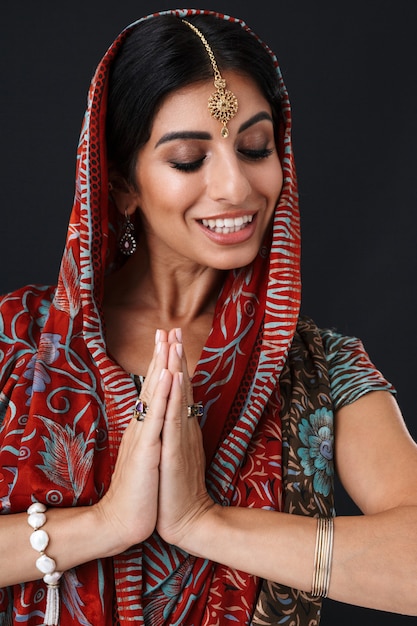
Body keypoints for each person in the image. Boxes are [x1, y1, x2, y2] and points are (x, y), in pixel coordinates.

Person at [0, 8, 416, 625]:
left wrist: (204, 522)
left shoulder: (320, 368)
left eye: (255, 147)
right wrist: (107, 524)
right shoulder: (19, 341)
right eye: (190, 159)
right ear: (121, 185)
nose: (235, 187)